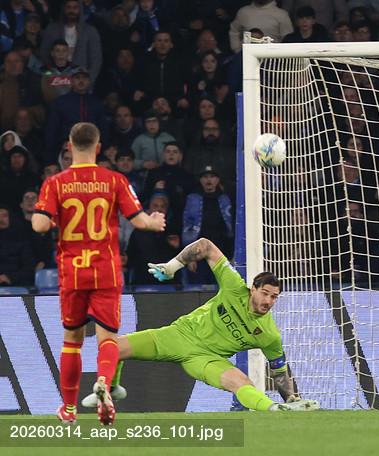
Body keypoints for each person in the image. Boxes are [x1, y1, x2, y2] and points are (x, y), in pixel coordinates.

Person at [81, 237, 320, 413]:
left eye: (274, 297)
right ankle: (110, 389)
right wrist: (172, 266)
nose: (268, 301)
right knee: (112, 347)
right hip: (178, 336)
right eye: (265, 293)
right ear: (253, 289)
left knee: (242, 383)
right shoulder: (234, 287)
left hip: (207, 360)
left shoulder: (269, 335)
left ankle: (275, 409)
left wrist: (291, 399)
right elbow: (205, 246)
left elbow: (279, 371)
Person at [32, 122, 167, 425]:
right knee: (108, 337)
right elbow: (140, 221)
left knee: (72, 339)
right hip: (105, 270)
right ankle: (104, 382)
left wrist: (52, 221)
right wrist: (155, 222)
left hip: (73, 272)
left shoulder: (55, 183)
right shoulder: (114, 180)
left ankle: (69, 409)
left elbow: (39, 224)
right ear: (98, 147)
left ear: (69, 147)